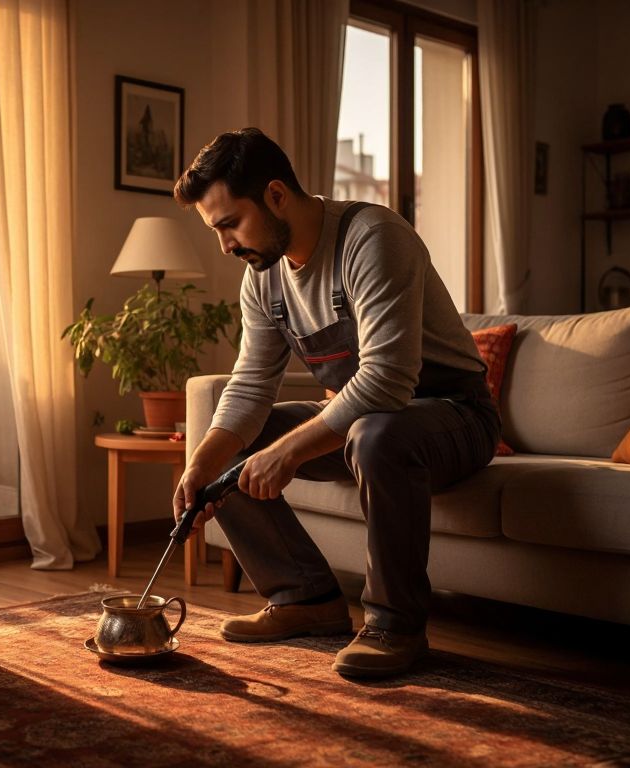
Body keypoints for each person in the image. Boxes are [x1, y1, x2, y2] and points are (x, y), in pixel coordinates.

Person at [171, 128, 500, 678]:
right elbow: (251, 386)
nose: (225, 245)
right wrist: (203, 464)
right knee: (232, 448)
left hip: (455, 416)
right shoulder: (263, 277)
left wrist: (289, 452)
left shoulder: (371, 238)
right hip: (369, 423)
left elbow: (389, 380)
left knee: (377, 433)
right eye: (216, 230)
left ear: (276, 195)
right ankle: (304, 599)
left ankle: (396, 627)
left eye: (230, 223)